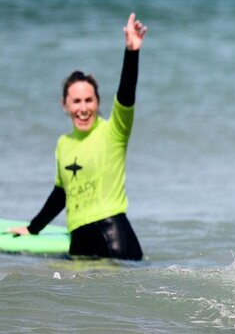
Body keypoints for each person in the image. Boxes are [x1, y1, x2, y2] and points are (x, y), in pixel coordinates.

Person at [8, 13, 148, 260]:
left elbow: (126, 96)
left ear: (97, 102)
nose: (83, 108)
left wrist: (132, 52)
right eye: (76, 101)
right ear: (65, 105)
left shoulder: (113, 131)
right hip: (79, 241)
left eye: (88, 100)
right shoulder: (64, 144)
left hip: (113, 236)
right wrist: (32, 228)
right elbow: (61, 194)